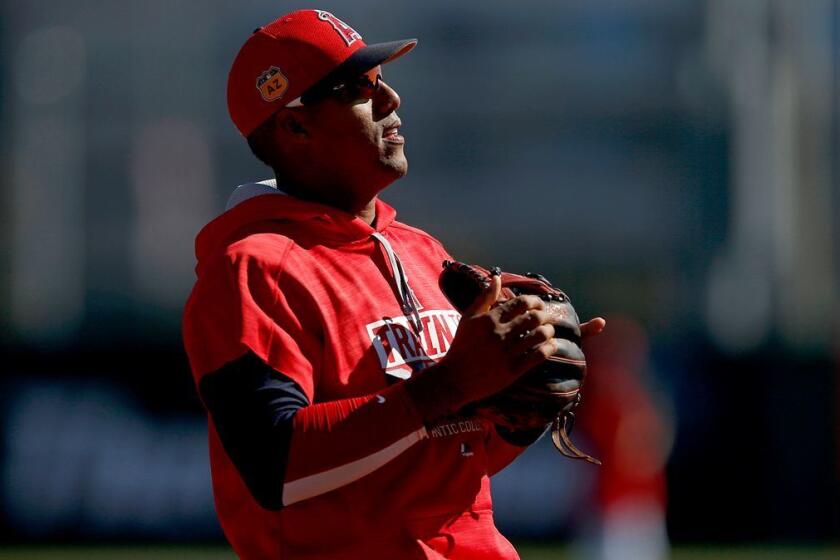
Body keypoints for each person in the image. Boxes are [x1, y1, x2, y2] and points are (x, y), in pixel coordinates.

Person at [183, 9, 604, 559]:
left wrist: (515, 401)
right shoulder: (252, 269)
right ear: (294, 124)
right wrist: (451, 385)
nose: (391, 100)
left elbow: (448, 461)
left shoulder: (423, 251)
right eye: (359, 87)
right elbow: (277, 469)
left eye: (381, 80)